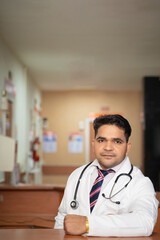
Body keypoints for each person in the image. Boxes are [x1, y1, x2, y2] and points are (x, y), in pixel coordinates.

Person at [54, 114, 159, 237]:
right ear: (94, 144)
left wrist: (88, 223)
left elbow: (145, 222)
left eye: (117, 141)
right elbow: (62, 219)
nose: (108, 147)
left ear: (127, 147)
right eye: (101, 140)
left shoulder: (140, 182)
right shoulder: (77, 175)